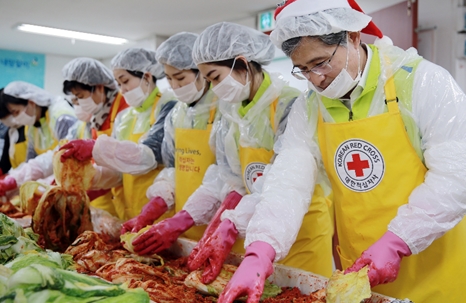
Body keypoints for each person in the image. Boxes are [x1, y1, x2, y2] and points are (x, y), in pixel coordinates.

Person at [220, 0, 466, 303]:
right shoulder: (310, 110)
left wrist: (397, 242)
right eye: (302, 69)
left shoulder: (419, 81)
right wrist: (260, 249)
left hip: (436, 271)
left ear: (352, 35)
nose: (315, 79)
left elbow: (455, 178)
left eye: (321, 62)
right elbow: (288, 183)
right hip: (361, 273)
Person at [131, 22, 333, 285]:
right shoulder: (231, 111)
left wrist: (231, 223)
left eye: (215, 77)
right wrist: (185, 219)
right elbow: (226, 178)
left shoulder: (290, 104)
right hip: (251, 234)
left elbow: (280, 182)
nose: (214, 88)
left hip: (301, 235)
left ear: (242, 63)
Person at [121, 32, 220, 243]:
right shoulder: (178, 114)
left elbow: (228, 178)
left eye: (181, 78)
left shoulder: (225, 110)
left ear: (202, 72)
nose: (174, 86)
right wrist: (154, 207)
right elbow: (174, 169)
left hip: (220, 231)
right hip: (184, 227)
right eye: (169, 78)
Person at [60, 48, 177, 220]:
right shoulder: (126, 117)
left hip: (160, 211)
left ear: (147, 76)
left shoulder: (167, 106)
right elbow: (119, 171)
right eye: (118, 84)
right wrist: (89, 178)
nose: (122, 90)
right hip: (129, 211)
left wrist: (95, 148)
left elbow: (147, 157)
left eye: (125, 81)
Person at [61, 57, 129, 216]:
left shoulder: (125, 109)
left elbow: (123, 160)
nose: (78, 102)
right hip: (114, 194)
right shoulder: (97, 116)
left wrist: (88, 184)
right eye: (75, 98)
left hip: (132, 190)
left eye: (80, 96)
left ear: (98, 87)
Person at [0, 81, 77, 196]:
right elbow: (32, 161)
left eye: (16, 112)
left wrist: (40, 185)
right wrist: (16, 178)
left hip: (72, 187)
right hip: (52, 190)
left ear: (31, 102)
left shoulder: (60, 116)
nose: (16, 118)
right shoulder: (32, 127)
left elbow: (67, 157)